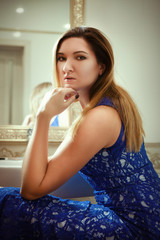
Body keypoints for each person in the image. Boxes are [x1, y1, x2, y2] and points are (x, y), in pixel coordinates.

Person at [0, 26, 160, 240]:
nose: (67, 67)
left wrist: (43, 116)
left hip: (133, 227)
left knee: (9, 200)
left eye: (80, 57)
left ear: (101, 66)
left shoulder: (99, 117)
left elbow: (30, 189)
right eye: (61, 58)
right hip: (149, 220)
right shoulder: (111, 105)